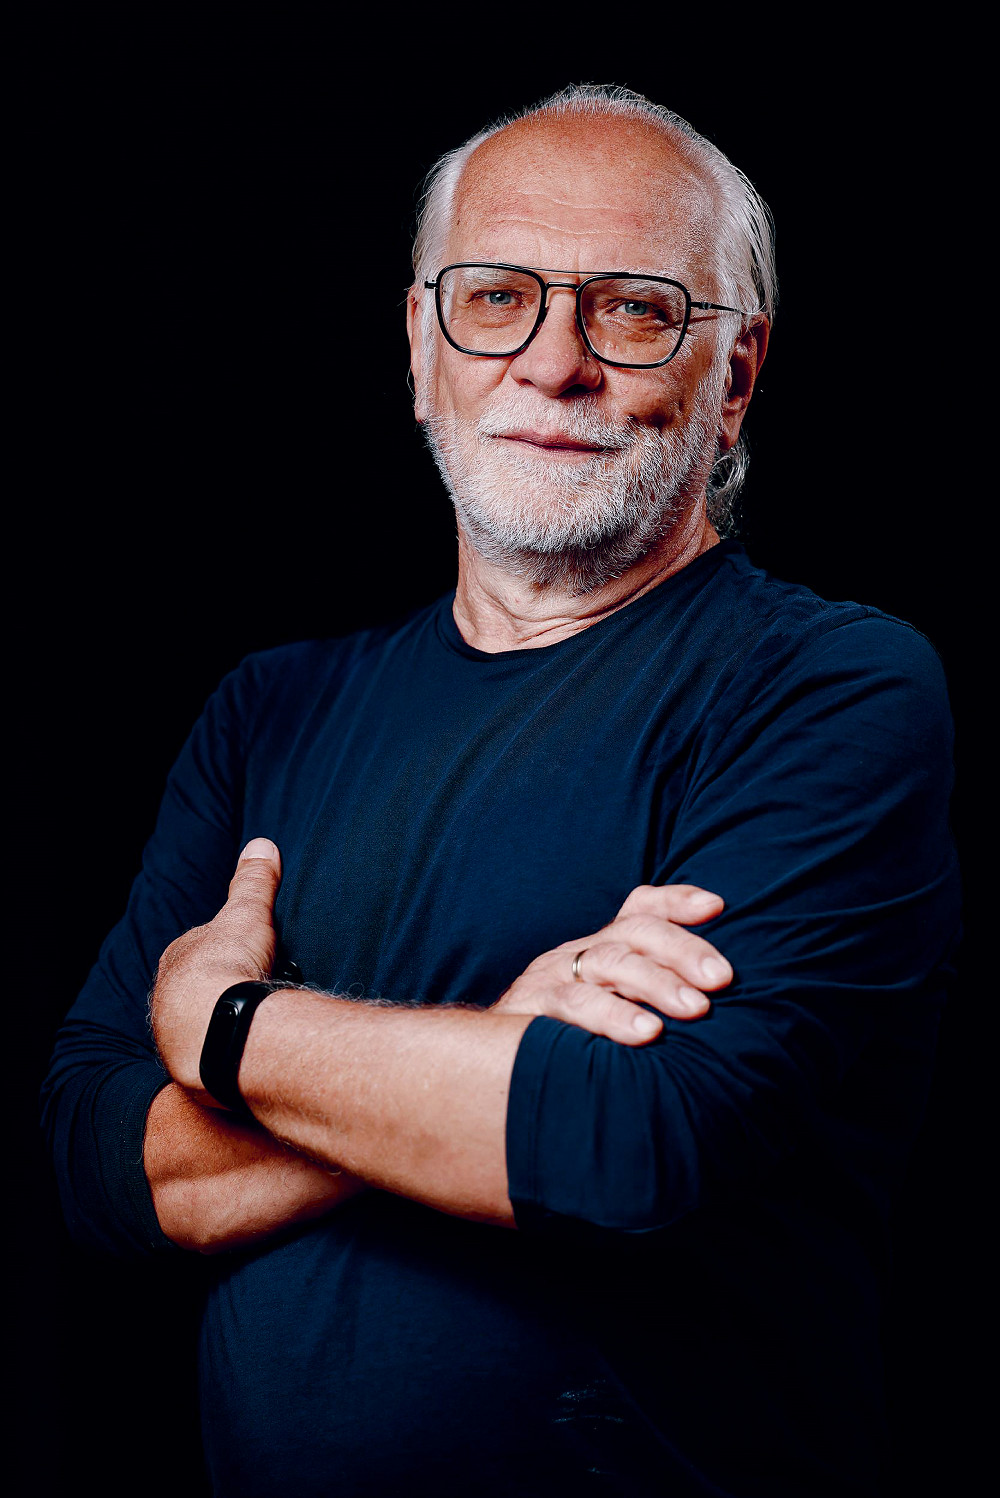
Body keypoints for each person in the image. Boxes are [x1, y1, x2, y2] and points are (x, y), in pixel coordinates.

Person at [41, 84, 960, 1497]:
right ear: (424, 347)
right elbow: (104, 1167)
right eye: (497, 298)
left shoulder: (831, 686)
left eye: (634, 310)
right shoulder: (270, 710)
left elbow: (625, 1143)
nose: (552, 363)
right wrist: (495, 1047)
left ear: (735, 376)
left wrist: (219, 1025)